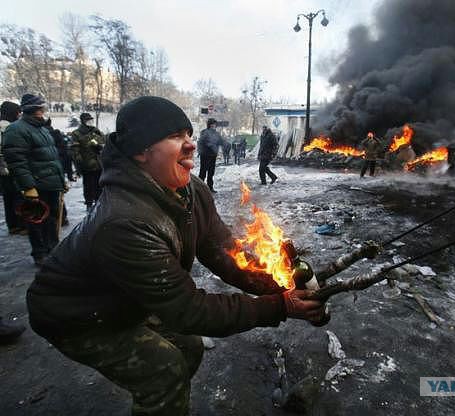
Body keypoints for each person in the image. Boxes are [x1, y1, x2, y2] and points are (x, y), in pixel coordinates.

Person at [26, 96, 326, 416]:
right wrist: (281, 306)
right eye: (175, 136)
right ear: (141, 151)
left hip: (126, 298)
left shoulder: (191, 189)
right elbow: (188, 310)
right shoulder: (123, 222)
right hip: (76, 314)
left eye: (189, 134)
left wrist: (280, 285)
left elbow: (224, 252)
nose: (191, 145)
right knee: (163, 371)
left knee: (189, 347)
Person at [2, 94, 65, 266]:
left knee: (51, 218)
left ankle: (53, 248)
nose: (43, 111)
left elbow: (52, 157)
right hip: (36, 184)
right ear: (32, 109)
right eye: (40, 108)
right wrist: (28, 186)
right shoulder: (16, 129)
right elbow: (17, 161)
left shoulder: (42, 129)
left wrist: (61, 180)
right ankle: (40, 253)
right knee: (37, 220)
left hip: (50, 183)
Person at [0, 101, 26, 235]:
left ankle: (12, 225)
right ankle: (22, 224)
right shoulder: (10, 128)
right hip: (11, 167)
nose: (19, 115)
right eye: (17, 112)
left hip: (2, 170)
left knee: (8, 198)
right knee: (18, 196)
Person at [70, 113, 104, 211]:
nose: (90, 122)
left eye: (91, 120)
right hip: (87, 165)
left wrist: (99, 146)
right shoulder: (77, 133)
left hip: (99, 163)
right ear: (83, 121)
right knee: (89, 185)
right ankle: (89, 203)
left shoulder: (96, 131)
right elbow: (74, 149)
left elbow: (103, 142)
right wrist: (79, 162)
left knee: (99, 185)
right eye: (87, 120)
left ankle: (99, 203)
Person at [44, 118, 71, 226]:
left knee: (52, 198)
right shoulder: (55, 134)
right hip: (56, 169)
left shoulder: (49, 135)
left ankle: (60, 219)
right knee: (57, 198)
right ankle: (62, 219)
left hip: (49, 171)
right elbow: (66, 154)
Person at [197, 118, 223, 192]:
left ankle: (210, 187)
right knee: (203, 172)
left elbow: (220, 141)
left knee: (211, 172)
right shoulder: (204, 132)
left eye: (214, 125)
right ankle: (199, 188)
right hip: (205, 155)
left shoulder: (216, 133)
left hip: (213, 155)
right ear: (209, 125)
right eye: (212, 125)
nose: (213, 126)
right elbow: (201, 142)